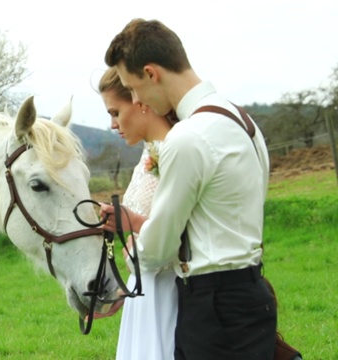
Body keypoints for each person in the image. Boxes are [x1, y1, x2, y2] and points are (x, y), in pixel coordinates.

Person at [99, 18, 277, 359]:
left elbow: (156, 250)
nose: (137, 99)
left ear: (151, 73)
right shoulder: (243, 120)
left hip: (213, 305)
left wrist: (136, 227)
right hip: (254, 294)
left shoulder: (187, 137)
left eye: (133, 87)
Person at [96, 66, 178, 360]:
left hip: (171, 293)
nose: (113, 124)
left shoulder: (178, 150)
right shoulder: (148, 154)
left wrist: (135, 224)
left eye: (115, 112)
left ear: (140, 100)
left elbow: (181, 232)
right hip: (144, 290)